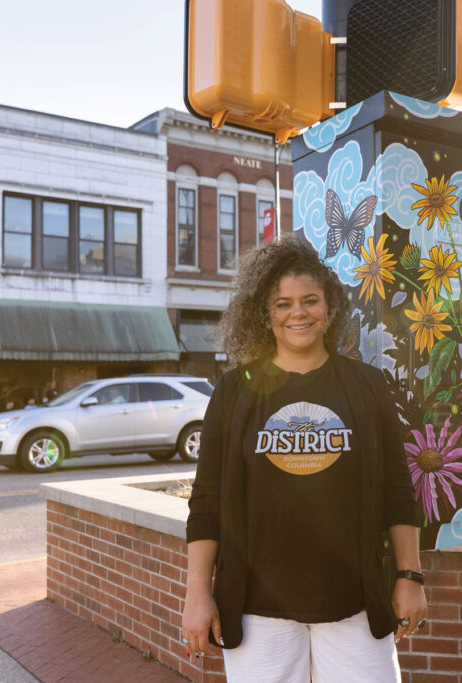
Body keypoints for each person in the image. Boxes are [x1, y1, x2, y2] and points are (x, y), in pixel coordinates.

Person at [182, 236, 426, 682]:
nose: (298, 313)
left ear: (329, 308)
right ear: (265, 313)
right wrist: (197, 592)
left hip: (354, 602)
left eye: (310, 300)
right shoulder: (236, 390)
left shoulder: (367, 386)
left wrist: (410, 575)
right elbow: (207, 501)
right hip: (259, 609)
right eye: (282, 303)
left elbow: (397, 487)